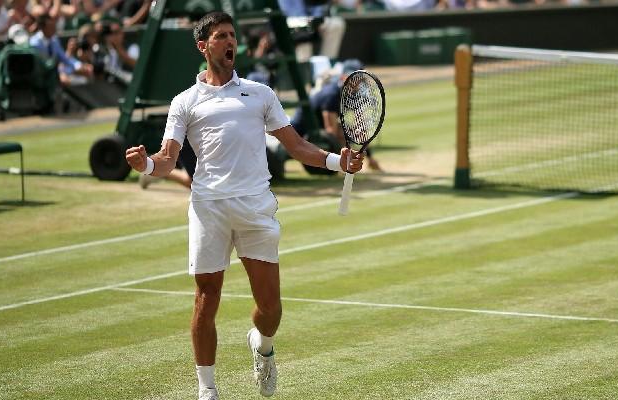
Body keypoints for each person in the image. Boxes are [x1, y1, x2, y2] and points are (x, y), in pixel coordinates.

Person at [124, 11, 363, 400]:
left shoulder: (260, 94)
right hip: (208, 208)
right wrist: (147, 164)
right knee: (206, 296)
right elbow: (168, 158)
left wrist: (338, 162)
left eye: (232, 35)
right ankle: (207, 390)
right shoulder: (184, 102)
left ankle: (263, 346)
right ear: (203, 47)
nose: (230, 41)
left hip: (255, 207)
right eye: (221, 36)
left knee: (271, 310)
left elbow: (297, 146)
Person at [291, 58, 382, 171]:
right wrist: (341, 161)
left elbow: (360, 130)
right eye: (353, 78)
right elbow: (330, 131)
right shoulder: (331, 95)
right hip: (299, 131)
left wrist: (369, 156)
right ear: (343, 77)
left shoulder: (354, 95)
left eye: (359, 79)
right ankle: (336, 167)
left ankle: (360, 163)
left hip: (318, 129)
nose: (357, 82)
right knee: (340, 133)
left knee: (349, 132)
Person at [29, 13, 93, 86]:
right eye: (50, 27)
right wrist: (64, 72)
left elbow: (64, 58)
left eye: (53, 26)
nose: (54, 29)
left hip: (55, 73)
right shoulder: (34, 43)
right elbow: (44, 66)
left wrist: (79, 66)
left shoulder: (54, 40)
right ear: (42, 28)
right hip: (42, 77)